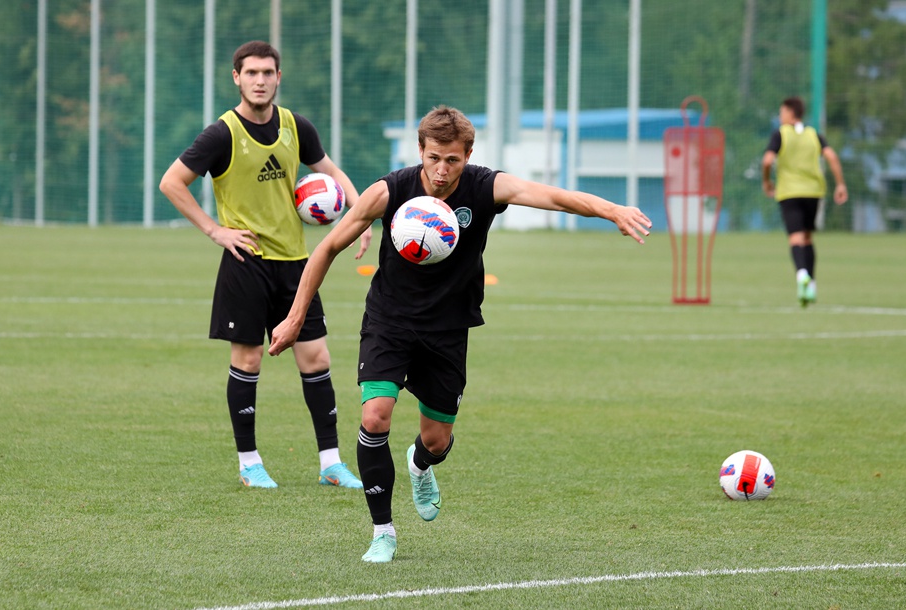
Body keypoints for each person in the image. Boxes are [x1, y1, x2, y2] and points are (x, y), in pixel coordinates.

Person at [267, 106, 651, 562]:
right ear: (421, 152)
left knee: (437, 441)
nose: (442, 170)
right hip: (390, 320)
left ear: (468, 154)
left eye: (452, 160)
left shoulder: (486, 186)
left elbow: (552, 196)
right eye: (434, 158)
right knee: (375, 418)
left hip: (448, 329)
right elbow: (328, 247)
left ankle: (420, 465)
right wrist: (294, 318)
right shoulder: (390, 191)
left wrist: (611, 210)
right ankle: (383, 532)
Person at [159, 40, 371, 490]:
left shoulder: (297, 126)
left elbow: (332, 172)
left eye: (267, 73)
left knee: (316, 358)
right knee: (249, 359)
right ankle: (249, 463)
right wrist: (216, 231)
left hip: (297, 263)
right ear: (236, 77)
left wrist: (361, 215)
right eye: (251, 73)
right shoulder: (221, 133)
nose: (259, 80)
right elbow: (171, 182)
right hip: (246, 262)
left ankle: (331, 463)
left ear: (279, 77)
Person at [762, 96, 848, 307]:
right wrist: (840, 184)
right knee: (807, 238)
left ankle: (802, 275)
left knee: (795, 239)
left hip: (789, 193)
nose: (780, 116)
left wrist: (766, 181)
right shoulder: (813, 135)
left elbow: (767, 160)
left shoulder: (780, 134)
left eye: (782, 112)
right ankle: (812, 284)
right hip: (814, 193)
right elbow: (832, 157)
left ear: (791, 113)